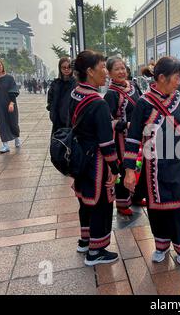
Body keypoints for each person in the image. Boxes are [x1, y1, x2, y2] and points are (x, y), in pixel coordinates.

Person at [123, 57, 180, 265]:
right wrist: (129, 170)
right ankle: (161, 246)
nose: (179, 81)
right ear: (162, 78)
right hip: (153, 168)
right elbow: (132, 138)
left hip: (177, 163)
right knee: (156, 209)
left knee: (178, 208)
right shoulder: (143, 103)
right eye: (176, 77)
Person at [69, 50, 120, 266]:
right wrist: (115, 168)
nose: (106, 74)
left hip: (80, 158)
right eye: (102, 69)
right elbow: (107, 143)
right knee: (100, 204)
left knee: (85, 202)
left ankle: (85, 240)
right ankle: (96, 252)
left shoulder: (76, 93)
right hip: (96, 163)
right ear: (90, 71)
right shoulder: (97, 102)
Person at [104, 56, 145, 216]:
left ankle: (136, 196)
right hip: (122, 139)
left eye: (123, 68)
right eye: (117, 69)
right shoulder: (111, 94)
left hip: (138, 135)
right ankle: (122, 203)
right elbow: (108, 121)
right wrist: (126, 125)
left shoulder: (134, 86)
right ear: (109, 73)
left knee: (138, 165)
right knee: (124, 168)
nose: (121, 72)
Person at [47, 57, 77, 133]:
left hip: (72, 121)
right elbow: (50, 100)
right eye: (64, 67)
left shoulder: (76, 83)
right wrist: (53, 113)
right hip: (57, 122)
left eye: (69, 67)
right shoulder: (55, 84)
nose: (66, 70)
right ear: (60, 68)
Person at [0, 58, 21, 154]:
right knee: (2, 123)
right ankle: (5, 145)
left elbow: (14, 90)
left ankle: (16, 138)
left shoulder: (9, 78)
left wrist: (11, 103)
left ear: (2, 66)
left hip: (10, 103)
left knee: (13, 122)